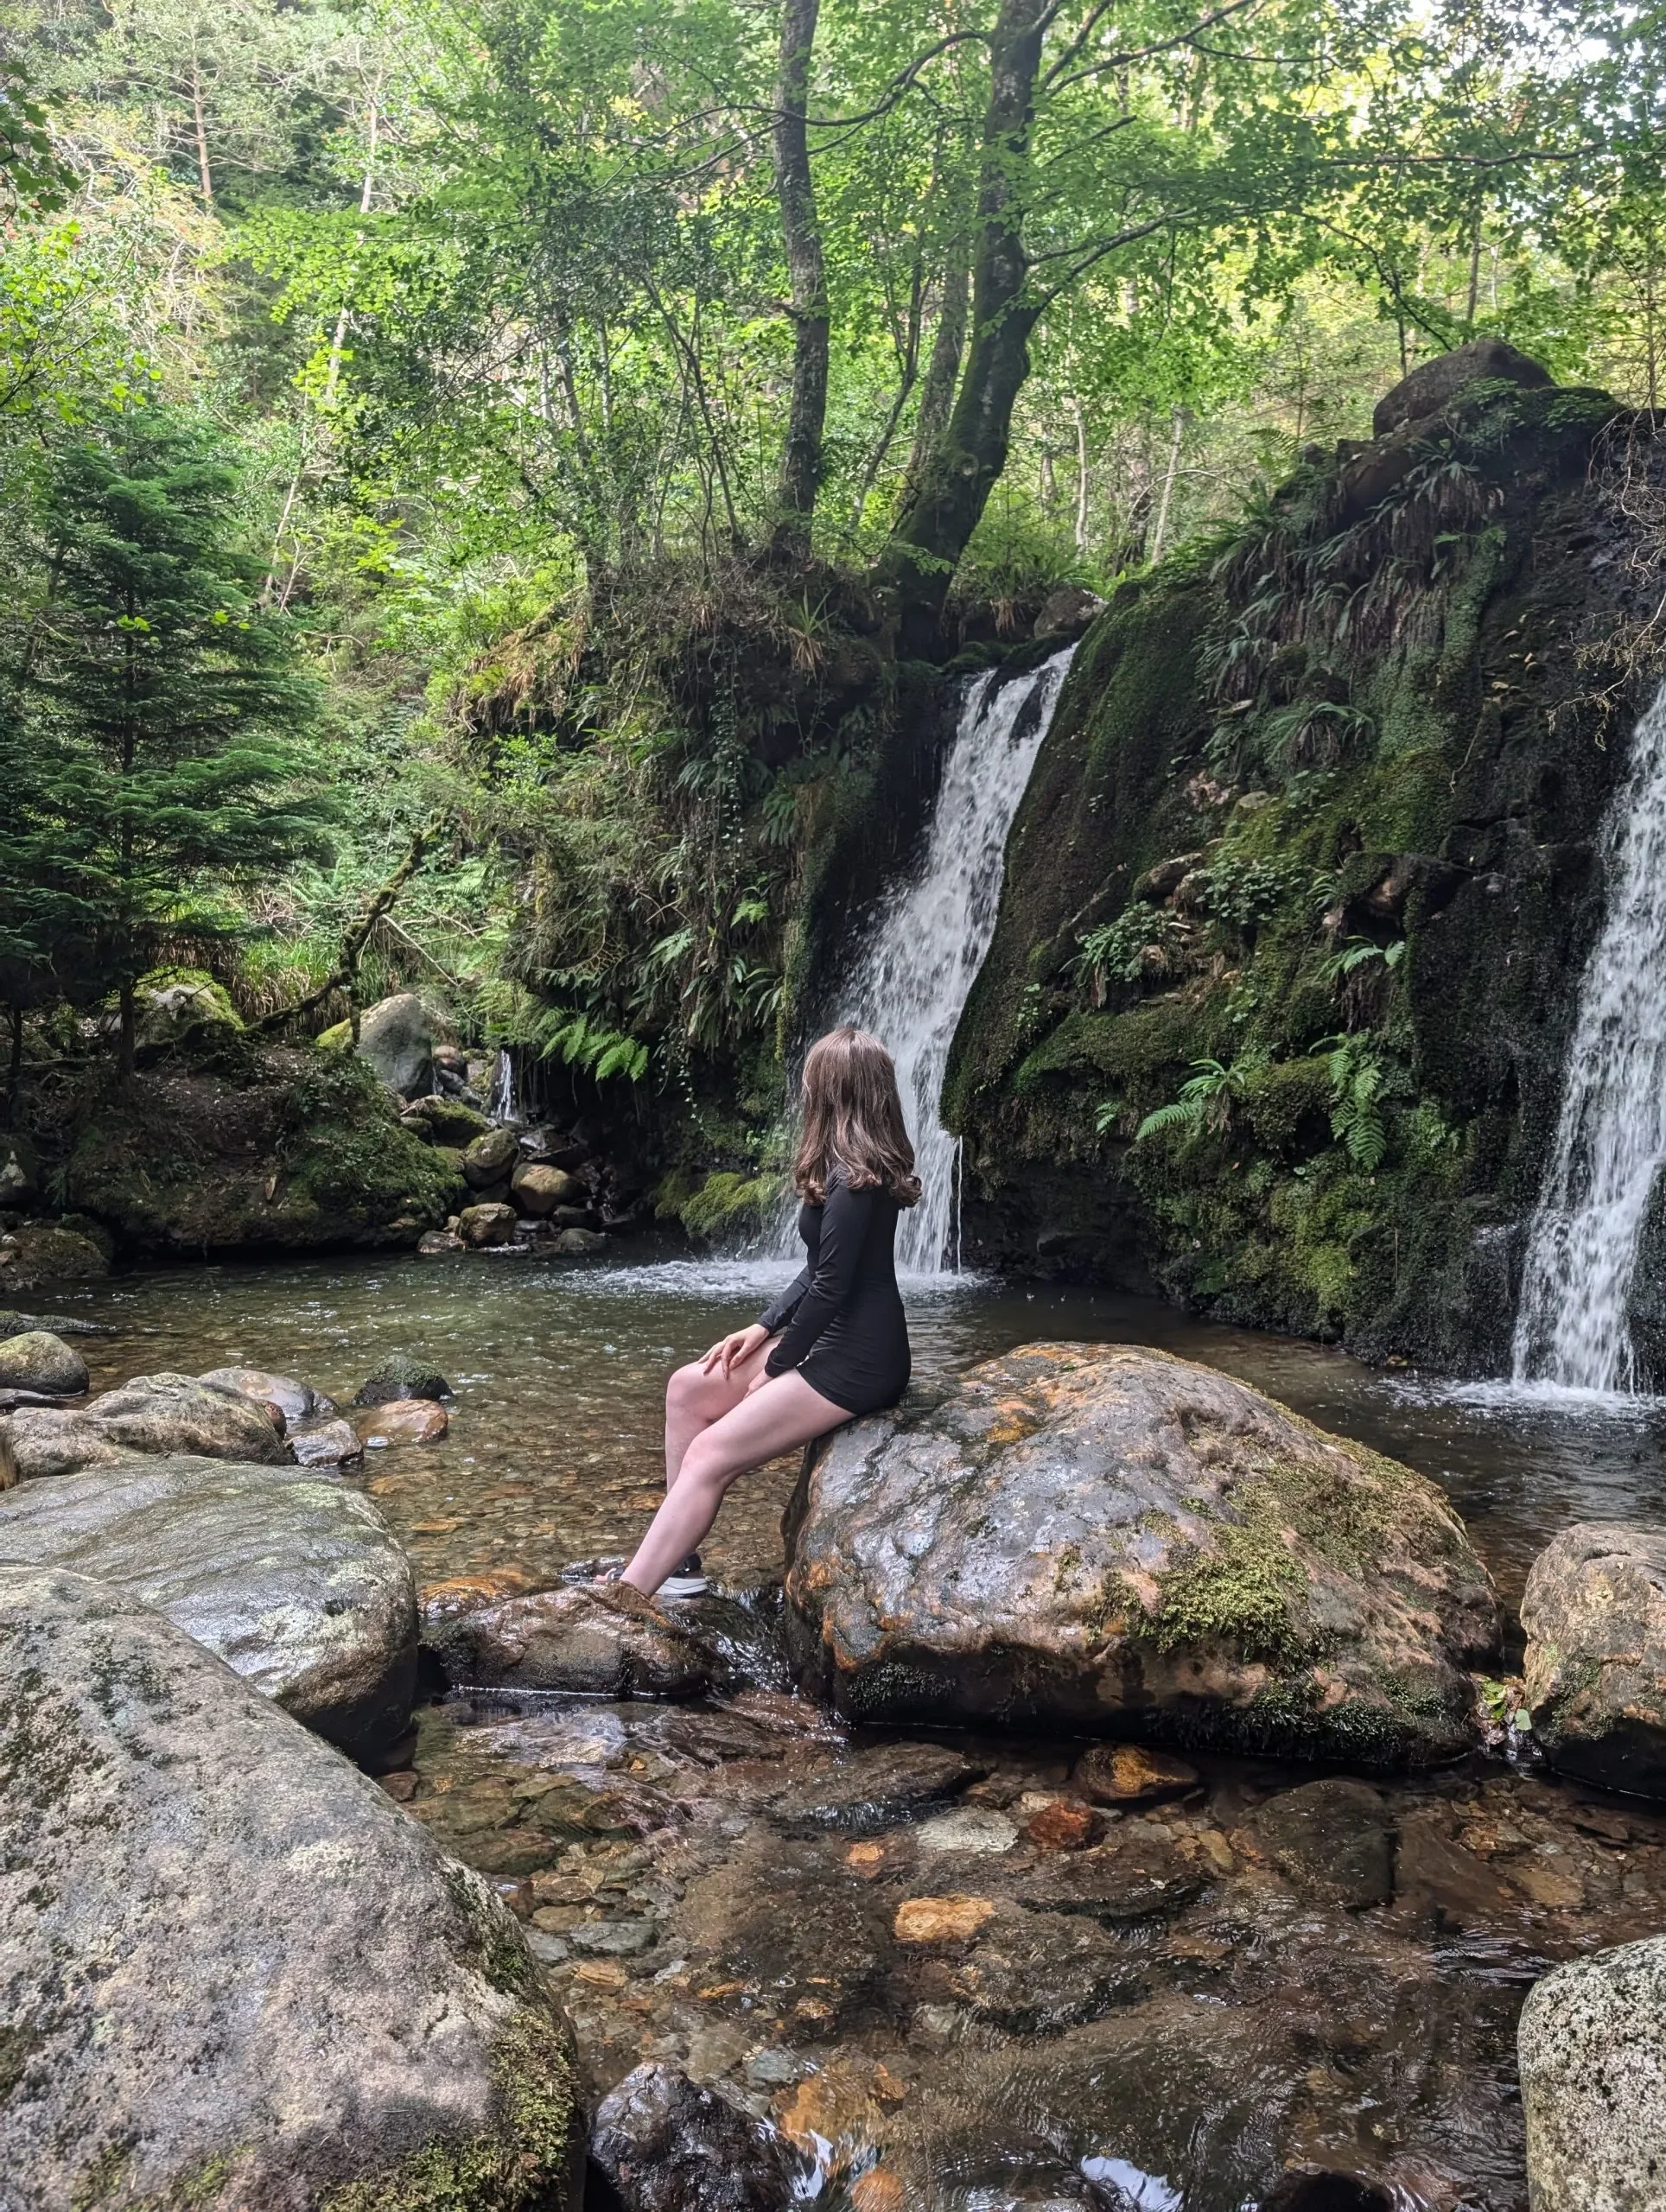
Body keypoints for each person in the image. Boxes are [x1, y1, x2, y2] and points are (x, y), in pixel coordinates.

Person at [620, 1025, 920, 1599]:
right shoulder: (846, 1168)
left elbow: (831, 1286)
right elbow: (817, 1271)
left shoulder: (856, 1180)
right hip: (831, 1339)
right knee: (687, 1388)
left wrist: (776, 1367)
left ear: (834, 1091)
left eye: (813, 1080)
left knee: (710, 1454)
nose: (805, 1089)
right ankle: (678, 1564)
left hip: (861, 1361)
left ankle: (628, 1596)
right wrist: (762, 1327)